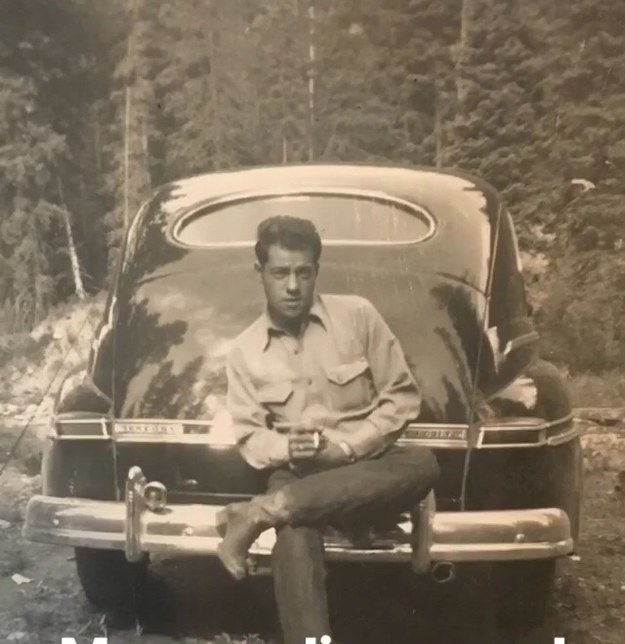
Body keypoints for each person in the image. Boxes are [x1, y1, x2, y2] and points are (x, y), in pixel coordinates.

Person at [217, 215, 439, 644]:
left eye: (303, 272)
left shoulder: (358, 316)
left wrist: (348, 449)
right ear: (259, 273)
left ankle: (258, 512)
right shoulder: (244, 351)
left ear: (317, 270)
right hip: (297, 473)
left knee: (423, 463)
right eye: (280, 273)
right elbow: (249, 437)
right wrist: (287, 446)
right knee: (295, 536)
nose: (293, 286)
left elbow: (402, 397)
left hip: (368, 470)